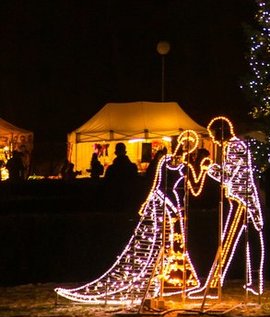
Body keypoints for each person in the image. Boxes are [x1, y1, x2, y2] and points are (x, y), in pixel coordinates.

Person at [55, 130, 203, 306]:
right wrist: (146, 202)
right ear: (178, 144)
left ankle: (172, 281)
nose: (184, 147)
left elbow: (194, 189)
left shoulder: (186, 166)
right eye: (183, 143)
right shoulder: (164, 161)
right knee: (153, 243)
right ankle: (150, 282)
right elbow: (155, 183)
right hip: (160, 203)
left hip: (175, 208)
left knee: (173, 244)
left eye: (188, 145)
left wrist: (202, 170)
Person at [189, 115, 265, 301]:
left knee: (229, 243)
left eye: (213, 134)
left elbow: (230, 175)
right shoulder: (235, 146)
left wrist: (209, 167)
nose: (213, 138)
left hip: (242, 201)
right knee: (247, 240)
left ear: (220, 132)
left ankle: (215, 285)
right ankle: (251, 280)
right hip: (242, 200)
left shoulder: (235, 147)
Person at [104, 142, 140, 209]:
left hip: (114, 199)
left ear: (115, 153)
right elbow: (135, 182)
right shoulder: (132, 167)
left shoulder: (111, 169)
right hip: (129, 199)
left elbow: (107, 184)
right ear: (125, 152)